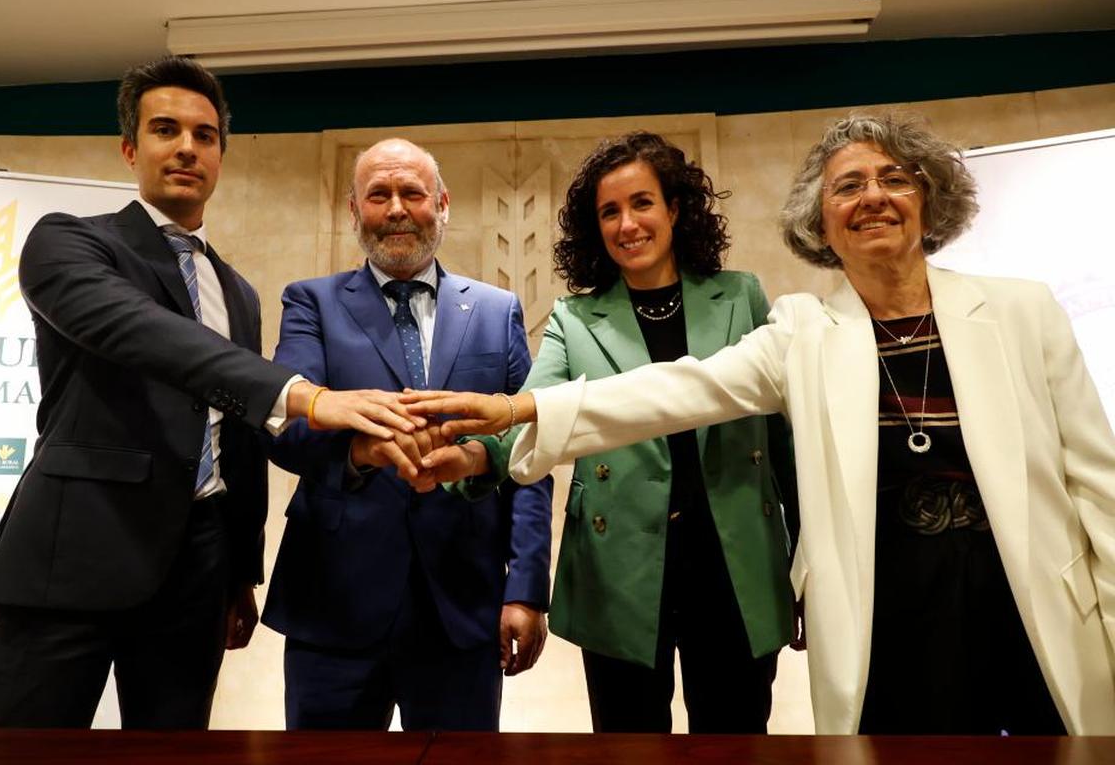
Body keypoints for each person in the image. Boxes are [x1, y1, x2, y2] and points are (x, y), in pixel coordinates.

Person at [404, 114, 1115, 735]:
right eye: (848, 186)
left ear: (929, 197)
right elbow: (676, 389)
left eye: (894, 179)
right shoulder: (803, 328)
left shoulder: (1024, 310)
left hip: (1028, 606)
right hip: (885, 604)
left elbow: (1097, 480)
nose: (872, 197)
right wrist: (515, 413)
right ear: (821, 222)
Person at [0, 56, 416, 729]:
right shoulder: (68, 243)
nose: (186, 148)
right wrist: (303, 394)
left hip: (196, 572)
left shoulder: (235, 290)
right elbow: (147, 335)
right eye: (165, 129)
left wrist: (239, 571)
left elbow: (237, 435)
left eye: (204, 136)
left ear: (220, 157)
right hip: (70, 562)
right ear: (129, 147)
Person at [425, 131, 797, 732]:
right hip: (619, 572)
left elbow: (784, 444)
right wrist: (470, 459)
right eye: (609, 212)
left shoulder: (741, 296)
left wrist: (806, 565)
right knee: (628, 749)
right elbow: (529, 408)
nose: (628, 224)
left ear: (675, 208)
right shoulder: (574, 319)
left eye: (642, 203)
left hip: (735, 564)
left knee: (737, 743)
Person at [261, 138, 553, 731]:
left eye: (412, 193)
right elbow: (285, 426)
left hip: (462, 605)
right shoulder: (311, 302)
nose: (396, 208)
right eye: (378, 194)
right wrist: (360, 450)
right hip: (334, 605)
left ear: (441, 204)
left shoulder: (497, 311)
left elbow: (530, 452)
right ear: (354, 211)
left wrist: (525, 590)